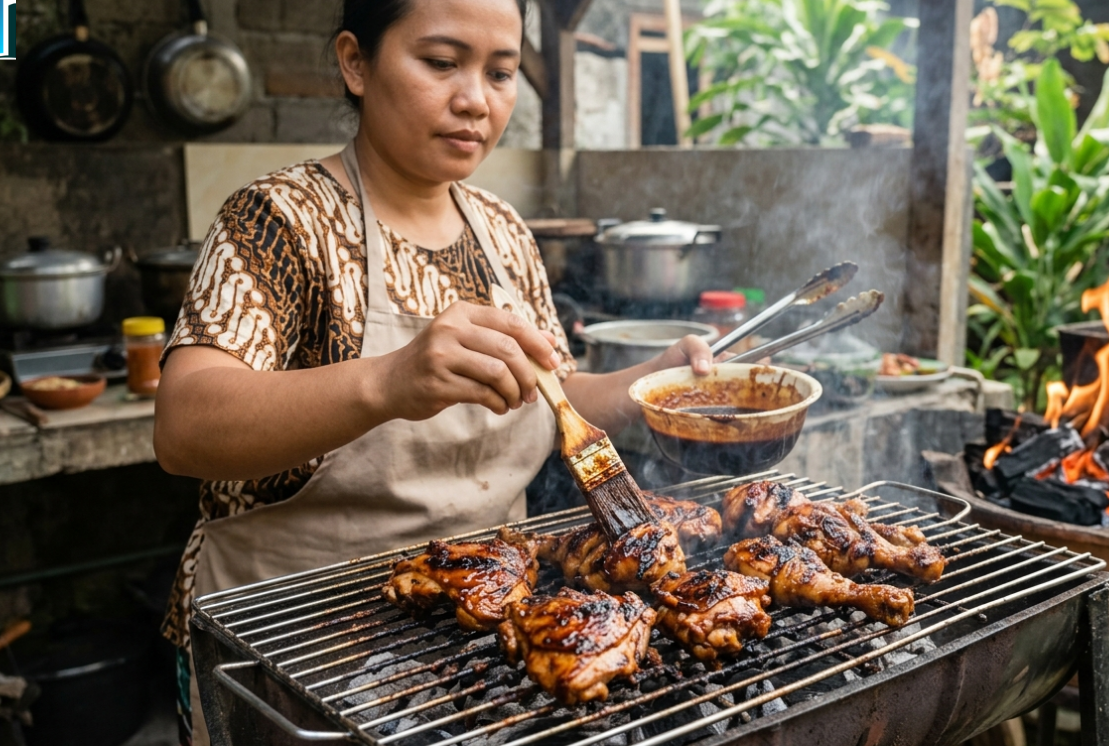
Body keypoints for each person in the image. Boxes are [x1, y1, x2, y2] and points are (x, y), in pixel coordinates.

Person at [152, 0, 713, 742]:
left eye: (502, 72)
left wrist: (656, 387)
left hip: (482, 637)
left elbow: (552, 395)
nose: (475, 99)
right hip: (294, 648)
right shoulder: (278, 222)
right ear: (356, 62)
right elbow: (184, 427)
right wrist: (386, 382)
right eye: (441, 63)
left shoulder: (504, 233)